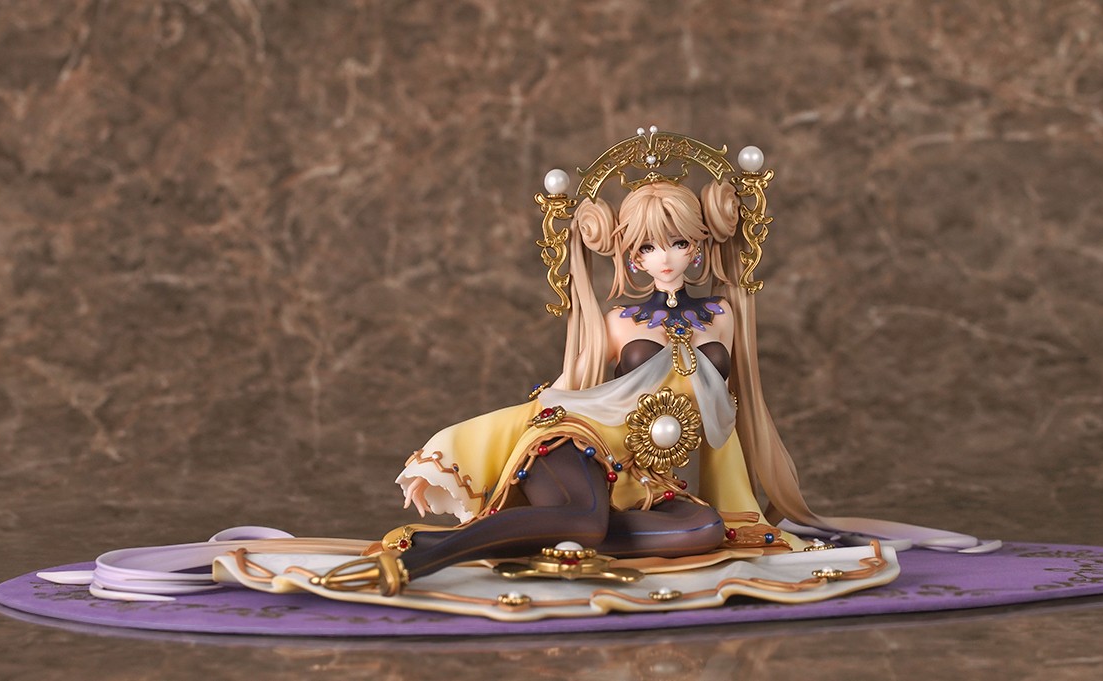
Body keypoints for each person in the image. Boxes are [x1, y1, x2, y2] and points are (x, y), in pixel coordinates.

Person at [366, 132, 996, 597]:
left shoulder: (723, 317)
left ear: (699, 246)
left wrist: (744, 511)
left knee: (702, 531)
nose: (663, 257)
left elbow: (726, 423)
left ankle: (542, 539)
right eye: (647, 246)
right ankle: (424, 555)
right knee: (584, 516)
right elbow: (563, 394)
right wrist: (468, 444)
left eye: (677, 242)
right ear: (631, 258)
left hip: (643, 481)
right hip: (577, 446)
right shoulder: (618, 322)